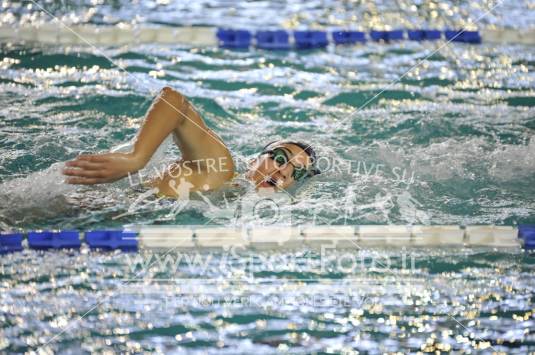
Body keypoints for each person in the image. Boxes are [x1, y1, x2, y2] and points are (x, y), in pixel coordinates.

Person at [62, 87, 320, 197]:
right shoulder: (220, 169)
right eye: (281, 158)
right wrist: (136, 159)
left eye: (295, 172)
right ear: (255, 160)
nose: (283, 171)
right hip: (70, 209)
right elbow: (174, 101)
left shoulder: (230, 199)